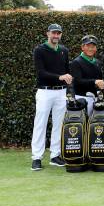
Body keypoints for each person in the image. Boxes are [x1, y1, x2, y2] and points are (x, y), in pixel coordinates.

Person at [31, 23, 72, 170]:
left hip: (61, 92)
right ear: (47, 33)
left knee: (59, 124)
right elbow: (41, 73)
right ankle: (36, 157)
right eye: (53, 33)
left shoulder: (64, 50)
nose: (56, 36)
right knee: (40, 124)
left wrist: (68, 79)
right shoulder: (39, 50)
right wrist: (60, 77)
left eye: (58, 33)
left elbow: (67, 70)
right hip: (45, 91)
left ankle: (55, 155)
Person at [70, 35, 104, 116]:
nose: (90, 49)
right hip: (82, 99)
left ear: (96, 48)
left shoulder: (97, 62)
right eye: (88, 46)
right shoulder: (76, 62)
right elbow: (77, 81)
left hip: (96, 99)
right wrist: (94, 82)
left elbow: (100, 80)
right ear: (82, 47)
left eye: (93, 46)